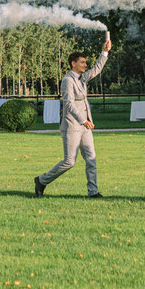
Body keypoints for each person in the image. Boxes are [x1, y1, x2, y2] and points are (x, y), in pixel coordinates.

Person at [34, 36, 113, 198]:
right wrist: (82, 120)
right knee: (69, 162)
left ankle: (93, 192)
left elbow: (97, 69)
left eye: (85, 62)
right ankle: (42, 180)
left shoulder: (82, 78)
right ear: (73, 63)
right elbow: (68, 104)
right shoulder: (67, 80)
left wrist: (104, 52)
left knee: (91, 159)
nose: (85, 65)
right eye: (82, 62)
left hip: (85, 126)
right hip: (72, 126)